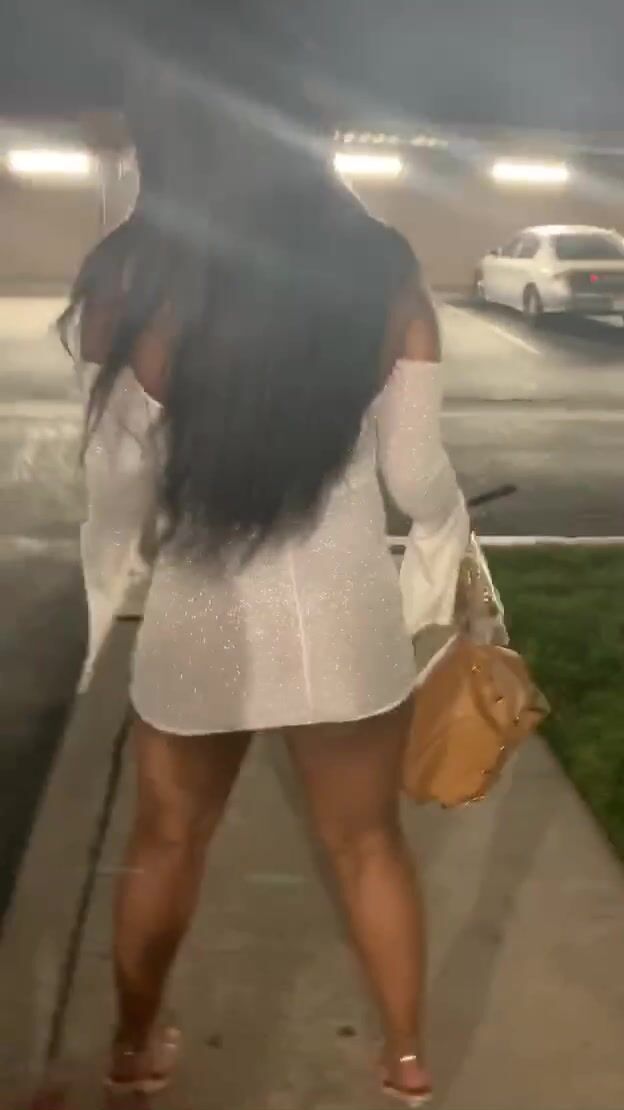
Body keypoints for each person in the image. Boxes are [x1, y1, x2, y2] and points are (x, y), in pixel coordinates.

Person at [59, 9, 469, 1104]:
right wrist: (447, 539)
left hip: (201, 613)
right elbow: (416, 471)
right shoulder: (380, 268)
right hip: (345, 610)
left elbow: (115, 489)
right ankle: (408, 1061)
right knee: (368, 844)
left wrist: (106, 588)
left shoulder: (129, 275)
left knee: (166, 840)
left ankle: (134, 1048)